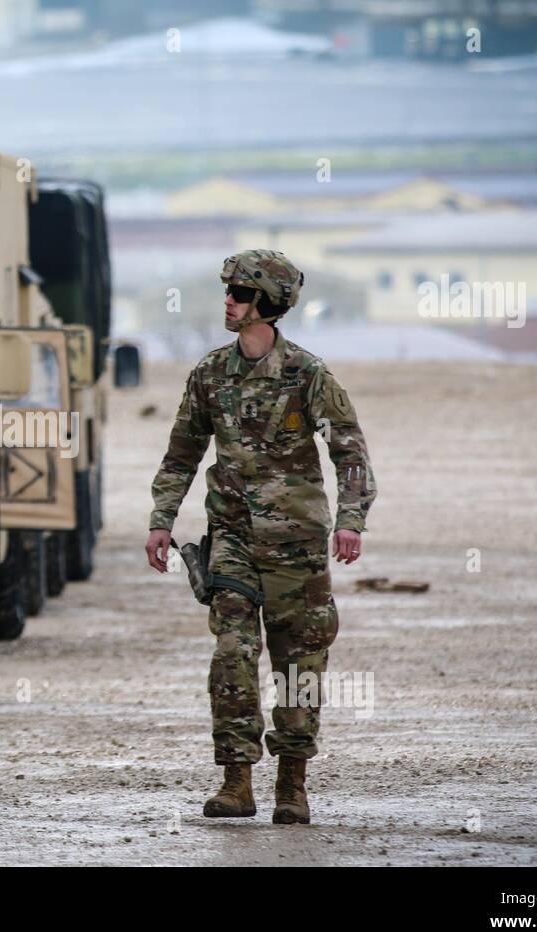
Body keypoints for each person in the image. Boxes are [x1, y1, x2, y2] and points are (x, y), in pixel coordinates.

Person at [145, 250, 376, 824]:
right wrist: (161, 520)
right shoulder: (208, 373)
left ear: (267, 305)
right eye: (228, 291)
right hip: (232, 539)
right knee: (232, 653)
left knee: (299, 665)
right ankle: (236, 781)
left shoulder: (309, 374)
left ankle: (292, 786)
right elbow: (181, 452)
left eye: (239, 293)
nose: (228, 301)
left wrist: (351, 521)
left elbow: (350, 451)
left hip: (297, 544)